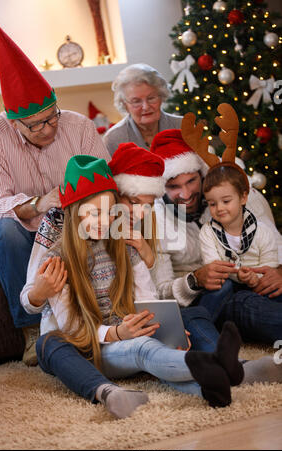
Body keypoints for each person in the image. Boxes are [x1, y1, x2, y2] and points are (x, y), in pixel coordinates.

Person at [23, 153, 248, 410]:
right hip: (88, 345)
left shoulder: (125, 245)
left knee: (170, 329)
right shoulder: (57, 259)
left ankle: (211, 386)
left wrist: (164, 330)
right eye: (94, 213)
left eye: (109, 213)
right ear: (75, 213)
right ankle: (215, 363)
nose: (105, 221)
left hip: (126, 332)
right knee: (141, 347)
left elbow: (146, 300)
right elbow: (72, 328)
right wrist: (118, 333)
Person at [0, 20, 110, 365]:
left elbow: (105, 181)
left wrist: (79, 202)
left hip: (75, 225)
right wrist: (40, 203)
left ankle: (99, 320)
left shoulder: (79, 126)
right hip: (23, 230)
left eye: (51, 117)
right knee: (3, 229)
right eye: (35, 124)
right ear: (13, 122)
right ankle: (32, 332)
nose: (48, 128)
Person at [150, 121, 282, 349]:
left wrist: (279, 272)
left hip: (259, 281)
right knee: (241, 300)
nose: (186, 193)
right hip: (210, 298)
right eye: (173, 186)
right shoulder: (154, 220)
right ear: (162, 188)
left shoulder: (243, 196)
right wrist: (194, 280)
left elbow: (275, 243)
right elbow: (159, 293)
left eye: (191, 181)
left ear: (202, 174)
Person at [200, 164, 281, 299]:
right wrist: (237, 274)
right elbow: (214, 266)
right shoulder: (207, 232)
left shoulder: (263, 232)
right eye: (212, 204)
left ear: (243, 198)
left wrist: (254, 277)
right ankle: (203, 316)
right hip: (227, 285)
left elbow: (270, 265)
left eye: (226, 201)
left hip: (259, 285)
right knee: (219, 289)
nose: (219, 208)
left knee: (273, 292)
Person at [103, 64, 182, 156]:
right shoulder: (114, 139)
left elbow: (202, 167)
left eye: (151, 98)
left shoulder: (182, 126)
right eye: (136, 101)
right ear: (125, 105)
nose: (146, 107)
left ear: (161, 96)